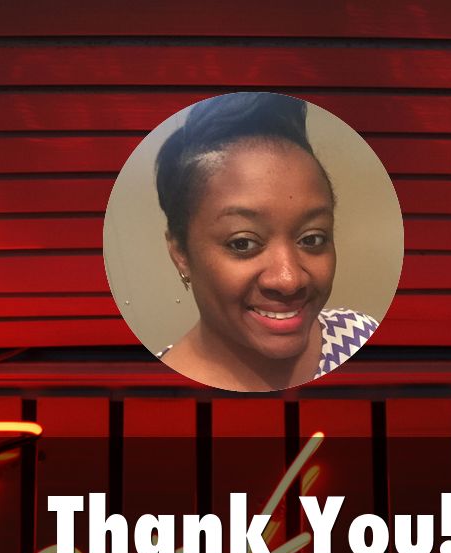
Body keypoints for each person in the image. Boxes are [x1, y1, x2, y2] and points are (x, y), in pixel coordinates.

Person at [154, 92, 378, 391]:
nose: (289, 280)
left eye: (312, 238)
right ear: (181, 253)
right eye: (243, 243)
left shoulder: (360, 336)